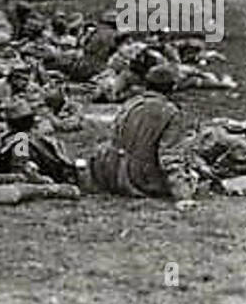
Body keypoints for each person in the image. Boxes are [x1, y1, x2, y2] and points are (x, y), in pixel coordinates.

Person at [85, 63, 199, 209]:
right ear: (173, 87)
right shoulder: (171, 112)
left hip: (109, 172)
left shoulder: (131, 103)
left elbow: (110, 138)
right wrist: (183, 195)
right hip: (137, 179)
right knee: (194, 176)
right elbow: (170, 158)